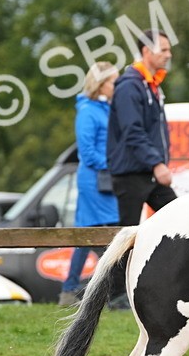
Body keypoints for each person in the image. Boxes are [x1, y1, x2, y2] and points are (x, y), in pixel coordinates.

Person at [59, 61, 120, 307]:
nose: (117, 86)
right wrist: (113, 164)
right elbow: (86, 151)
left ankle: (71, 288)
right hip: (95, 179)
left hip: (101, 178)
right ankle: (112, 292)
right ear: (101, 84)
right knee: (112, 232)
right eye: (114, 82)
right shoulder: (87, 111)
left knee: (88, 235)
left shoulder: (103, 108)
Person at [106, 30, 176, 224]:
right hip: (131, 175)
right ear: (146, 51)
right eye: (163, 50)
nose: (168, 55)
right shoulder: (130, 86)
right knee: (125, 237)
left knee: (178, 218)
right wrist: (157, 163)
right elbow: (132, 131)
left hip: (147, 172)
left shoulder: (150, 85)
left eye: (169, 50)